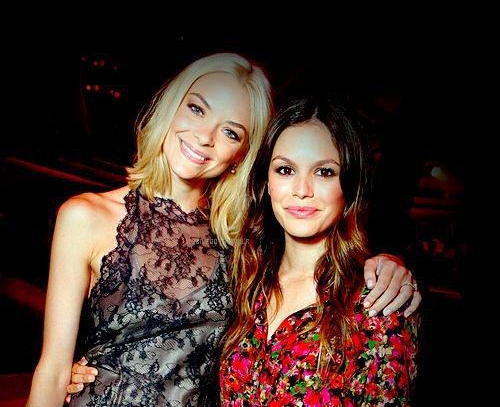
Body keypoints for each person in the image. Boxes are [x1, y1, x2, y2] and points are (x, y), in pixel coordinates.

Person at [26, 53, 419, 407]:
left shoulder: (240, 236)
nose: (204, 137)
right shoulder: (84, 216)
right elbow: (53, 372)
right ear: (171, 105)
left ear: (242, 155)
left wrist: (389, 265)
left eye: (230, 132)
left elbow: (317, 240)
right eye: (196, 109)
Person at [219, 97, 418, 405]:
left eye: (324, 172)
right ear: (267, 182)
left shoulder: (379, 301)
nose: (302, 190)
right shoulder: (243, 278)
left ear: (349, 186)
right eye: (285, 169)